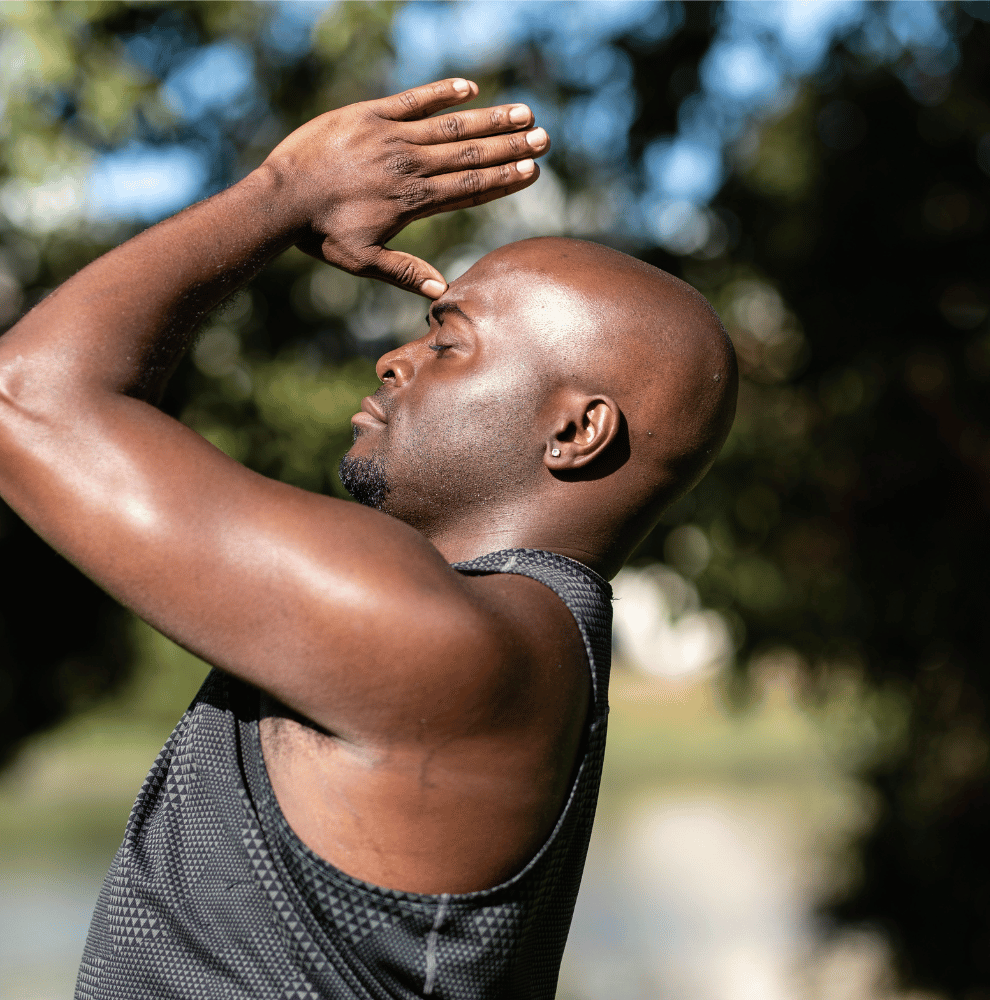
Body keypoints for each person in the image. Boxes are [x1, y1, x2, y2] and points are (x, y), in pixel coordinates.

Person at [0, 78, 736, 999]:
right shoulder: (518, 638)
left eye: (448, 340)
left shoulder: (441, 634)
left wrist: (283, 192)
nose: (394, 356)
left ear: (575, 433)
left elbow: (27, 400)